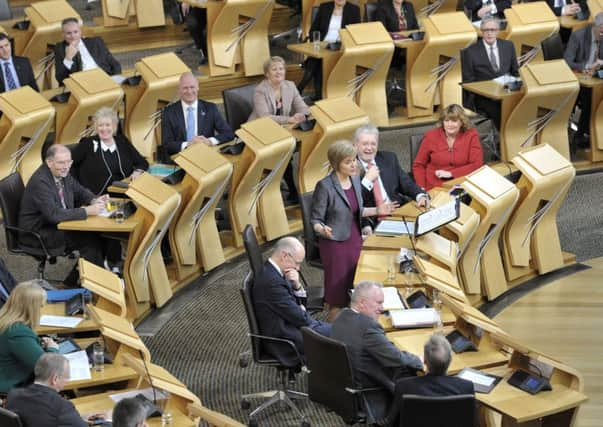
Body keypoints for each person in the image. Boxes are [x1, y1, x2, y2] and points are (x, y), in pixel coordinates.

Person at [311, 140, 398, 320]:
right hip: (335, 244)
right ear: (337, 164)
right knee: (339, 299)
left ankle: (353, 327)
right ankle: (333, 335)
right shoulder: (325, 186)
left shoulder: (356, 180)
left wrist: (378, 210)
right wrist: (322, 229)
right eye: (348, 162)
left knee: (357, 287)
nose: (353, 165)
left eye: (354, 160)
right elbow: (316, 219)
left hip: (355, 238)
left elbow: (357, 210)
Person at [331, 281, 423, 423]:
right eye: (378, 303)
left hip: (347, 384)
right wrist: (419, 360)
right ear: (361, 303)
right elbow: (397, 358)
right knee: (413, 375)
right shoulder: (369, 328)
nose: (382, 308)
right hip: (368, 388)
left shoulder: (342, 316)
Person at [18, 144, 106, 286]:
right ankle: (94, 286)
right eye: (61, 162)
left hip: (58, 225)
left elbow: (79, 190)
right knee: (91, 243)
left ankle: (77, 282)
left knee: (98, 237)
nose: (66, 166)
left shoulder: (62, 173)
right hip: (39, 232)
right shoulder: (41, 182)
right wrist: (86, 211)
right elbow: (53, 215)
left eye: (68, 162)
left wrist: (93, 199)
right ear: (49, 162)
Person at [252, 237, 331, 367]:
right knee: (339, 339)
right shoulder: (272, 283)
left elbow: (299, 310)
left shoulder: (275, 271)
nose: (298, 268)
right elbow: (301, 318)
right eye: (297, 263)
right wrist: (302, 311)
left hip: (292, 325)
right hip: (286, 339)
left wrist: (297, 285)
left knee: (339, 331)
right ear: (284, 256)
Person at [248, 56, 310, 202]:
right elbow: (264, 117)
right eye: (274, 69)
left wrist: (303, 114)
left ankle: (298, 189)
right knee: (284, 152)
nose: (278, 72)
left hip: (281, 131)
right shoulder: (260, 91)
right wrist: (289, 119)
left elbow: (302, 106)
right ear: (267, 73)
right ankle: (293, 191)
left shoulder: (290, 86)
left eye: (281, 69)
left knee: (289, 150)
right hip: (260, 131)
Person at [385, 334, 475, 426]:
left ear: (424, 360)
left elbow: (391, 422)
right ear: (450, 360)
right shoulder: (467, 388)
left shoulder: (403, 386)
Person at [71, 107, 149, 196]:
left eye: (108, 125)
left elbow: (142, 162)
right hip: (98, 195)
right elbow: (68, 165)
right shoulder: (88, 143)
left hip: (124, 190)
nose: (104, 129)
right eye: (100, 125)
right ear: (96, 128)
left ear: (114, 126)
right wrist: (81, 191)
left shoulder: (122, 141)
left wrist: (137, 172)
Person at [354, 124, 428, 213]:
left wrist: (420, 195)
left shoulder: (389, 158)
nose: (369, 148)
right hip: (372, 219)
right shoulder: (350, 167)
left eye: (373, 144)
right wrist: (367, 181)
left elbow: (406, 183)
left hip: (397, 210)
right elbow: (353, 203)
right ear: (356, 145)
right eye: (365, 144)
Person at [0, 281, 58, 393]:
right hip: (14, 388)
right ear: (32, 308)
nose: (42, 311)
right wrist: (52, 348)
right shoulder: (17, 332)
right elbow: (47, 368)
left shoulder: (5, 320)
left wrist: (36, 344)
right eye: (41, 306)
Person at [461, 16, 519, 129]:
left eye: (492, 30)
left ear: (498, 31)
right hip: (484, 97)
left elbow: (515, 73)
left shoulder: (508, 46)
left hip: (506, 92)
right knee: (500, 111)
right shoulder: (470, 52)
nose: (489, 33)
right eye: (486, 30)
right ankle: (503, 139)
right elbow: (468, 82)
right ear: (481, 32)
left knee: (520, 107)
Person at [161, 71, 234, 159]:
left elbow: (228, 133)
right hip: (181, 158)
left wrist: (209, 141)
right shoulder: (169, 112)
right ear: (179, 90)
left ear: (198, 88)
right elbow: (166, 144)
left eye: (192, 87)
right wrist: (188, 144)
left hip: (205, 155)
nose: (189, 91)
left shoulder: (210, 108)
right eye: (185, 88)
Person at [297, 0, 361, 99]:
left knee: (314, 62)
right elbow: (313, 29)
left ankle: (300, 90)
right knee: (316, 60)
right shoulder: (325, 7)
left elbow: (355, 32)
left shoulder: (354, 10)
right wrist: (317, 42)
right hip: (323, 45)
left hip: (341, 47)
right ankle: (314, 94)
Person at [412, 104, 483, 190]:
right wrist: (421, 188)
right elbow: (418, 165)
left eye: (454, 121)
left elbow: (477, 164)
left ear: (462, 122)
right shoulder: (431, 136)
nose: (449, 124)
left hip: (462, 184)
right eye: (446, 120)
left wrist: (451, 173)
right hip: (434, 185)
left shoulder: (471, 135)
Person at [6, 353, 87, 427]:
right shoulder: (61, 405)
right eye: (67, 377)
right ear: (55, 379)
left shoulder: (13, 393)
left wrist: (75, 418)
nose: (67, 380)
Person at [563, 13, 603, 148]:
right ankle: (580, 136)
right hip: (579, 79)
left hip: (597, 78)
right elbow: (567, 62)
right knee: (589, 99)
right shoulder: (578, 36)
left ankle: (593, 133)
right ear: (598, 28)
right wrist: (586, 66)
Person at [54, 17, 121, 86]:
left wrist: (114, 79)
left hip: (105, 78)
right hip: (82, 84)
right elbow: (60, 78)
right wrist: (68, 58)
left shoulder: (96, 42)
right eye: (68, 33)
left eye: (75, 32)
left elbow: (115, 64)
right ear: (63, 34)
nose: (73, 36)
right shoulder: (60, 49)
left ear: (80, 31)